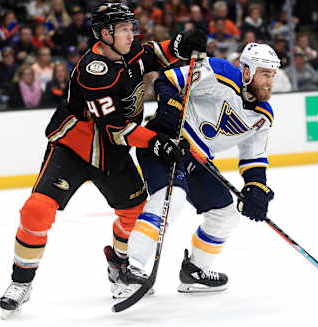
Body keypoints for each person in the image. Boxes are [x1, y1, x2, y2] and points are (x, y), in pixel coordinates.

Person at [0, 2, 206, 318]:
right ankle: (20, 282)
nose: (130, 34)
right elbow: (117, 129)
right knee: (36, 209)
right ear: (105, 33)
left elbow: (156, 54)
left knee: (135, 214)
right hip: (74, 149)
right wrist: (158, 143)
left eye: (130, 28)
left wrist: (182, 43)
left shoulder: (129, 51)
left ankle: (120, 268)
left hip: (113, 154)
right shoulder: (93, 72)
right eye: (123, 29)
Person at [119, 42, 279, 295]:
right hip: (165, 142)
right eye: (265, 74)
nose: (270, 81)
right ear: (247, 72)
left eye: (273, 75)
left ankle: (194, 271)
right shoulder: (220, 72)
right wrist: (171, 109)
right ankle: (131, 270)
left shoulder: (263, 116)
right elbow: (167, 80)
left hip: (197, 159)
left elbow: (254, 159)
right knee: (171, 200)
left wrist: (256, 189)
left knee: (227, 212)